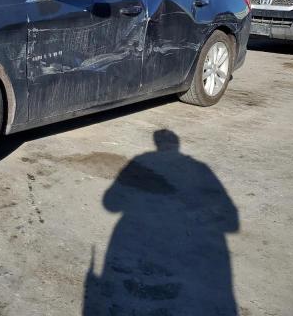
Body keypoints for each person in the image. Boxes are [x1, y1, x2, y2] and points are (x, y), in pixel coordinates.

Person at [83, 129, 239, 315]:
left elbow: (110, 204)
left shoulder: (141, 161)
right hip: (189, 263)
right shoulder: (201, 169)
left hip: (133, 241)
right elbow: (232, 223)